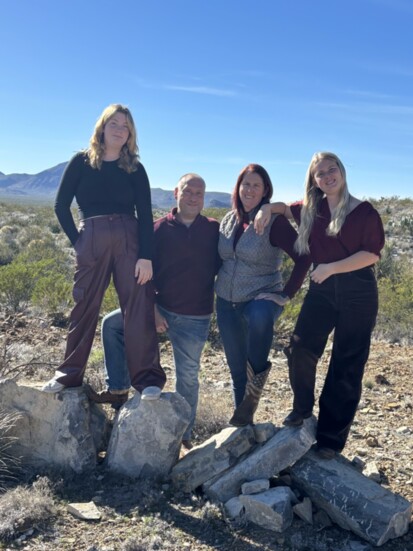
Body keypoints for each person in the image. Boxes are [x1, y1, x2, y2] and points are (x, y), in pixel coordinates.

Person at [255, 151, 385, 458]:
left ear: (341, 171)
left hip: (358, 290)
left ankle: (330, 439)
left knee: (347, 363)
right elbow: (284, 207)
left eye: (332, 169)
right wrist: (264, 209)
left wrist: (331, 268)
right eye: (320, 173)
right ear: (313, 180)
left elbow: (372, 254)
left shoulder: (364, 212)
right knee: (300, 347)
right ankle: (302, 409)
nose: (327, 176)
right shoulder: (311, 210)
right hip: (322, 289)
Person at [86, 174, 220, 449]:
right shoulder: (157, 229)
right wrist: (153, 308)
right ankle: (119, 389)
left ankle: (184, 436)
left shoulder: (214, 229)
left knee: (188, 377)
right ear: (176, 193)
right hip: (159, 308)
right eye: (188, 191)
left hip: (196, 316)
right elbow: (143, 272)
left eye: (199, 193)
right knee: (112, 326)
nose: (194, 197)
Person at [42, 104, 166, 400]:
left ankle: (147, 380)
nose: (120, 130)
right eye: (114, 123)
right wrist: (79, 243)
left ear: (130, 134)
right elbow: (61, 206)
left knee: (137, 307)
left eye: (126, 126)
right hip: (92, 237)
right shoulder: (81, 162)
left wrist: (145, 256)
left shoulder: (135, 168)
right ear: (102, 126)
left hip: (129, 239)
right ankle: (68, 375)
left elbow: (146, 215)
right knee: (83, 306)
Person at [215, 164, 311, 427]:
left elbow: (303, 257)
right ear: (238, 188)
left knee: (259, 315)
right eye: (246, 184)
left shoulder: (274, 222)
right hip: (225, 301)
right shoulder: (228, 219)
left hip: (261, 297)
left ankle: (255, 387)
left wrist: (286, 294)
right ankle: (242, 420)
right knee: (236, 370)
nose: (250, 190)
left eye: (256, 185)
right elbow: (219, 260)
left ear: (265, 190)